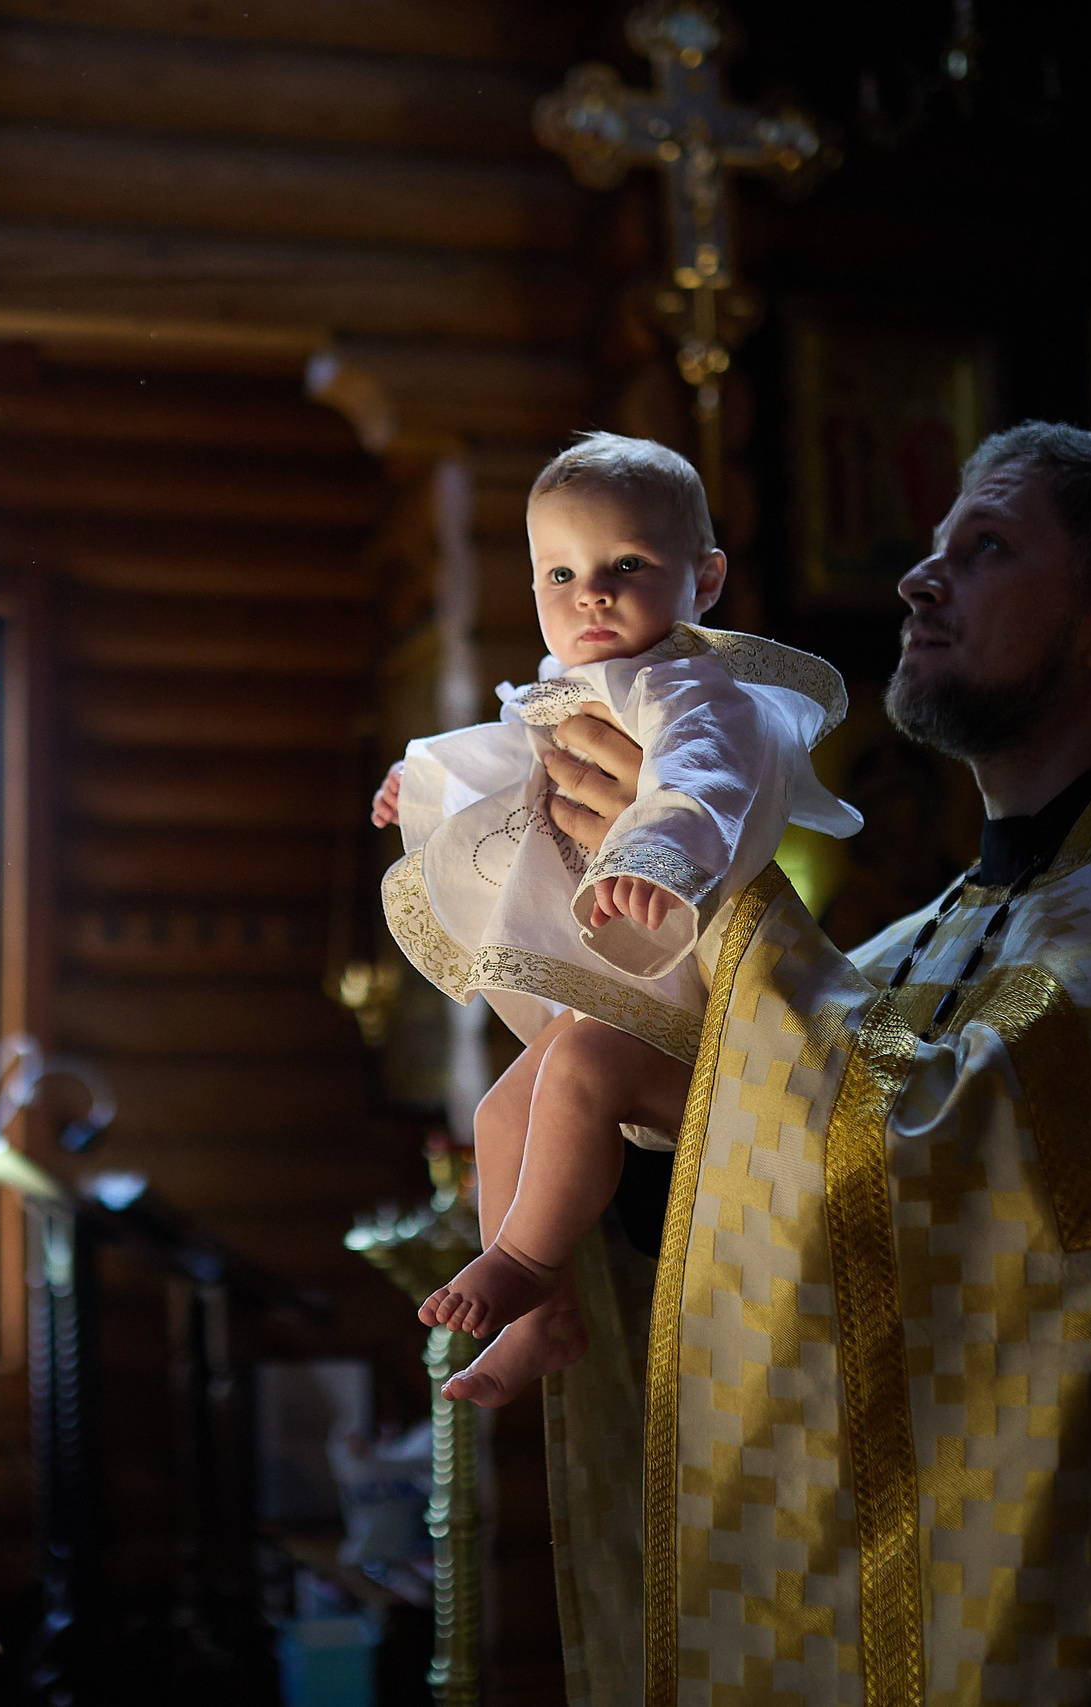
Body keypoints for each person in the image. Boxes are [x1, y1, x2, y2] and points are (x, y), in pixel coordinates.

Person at [523, 423, 1091, 1705]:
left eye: (982, 550)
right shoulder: (907, 945)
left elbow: (984, 1168)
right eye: (930, 547)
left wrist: (724, 906)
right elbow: (785, 1199)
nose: (919, 579)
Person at [371, 433, 858, 1407]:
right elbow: (502, 751)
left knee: (584, 1066)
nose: (589, 594)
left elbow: (698, 783)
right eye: (560, 573)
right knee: (499, 1109)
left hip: (705, 1013)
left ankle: (521, 1256)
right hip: (626, 992)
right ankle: (542, 1316)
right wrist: (419, 778)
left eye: (624, 567)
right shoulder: (573, 686)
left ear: (704, 580)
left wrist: (654, 857)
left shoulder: (694, 690)